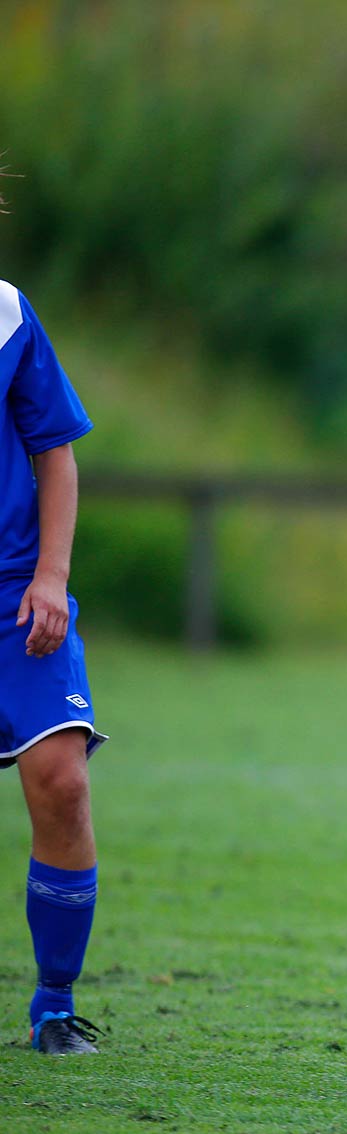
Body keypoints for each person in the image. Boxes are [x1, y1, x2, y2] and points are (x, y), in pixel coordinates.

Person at [0, 202, 107, 1056]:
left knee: (62, 781)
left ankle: (54, 1006)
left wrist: (51, 577)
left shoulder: (5, 312)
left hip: (13, 592)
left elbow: (55, 451)